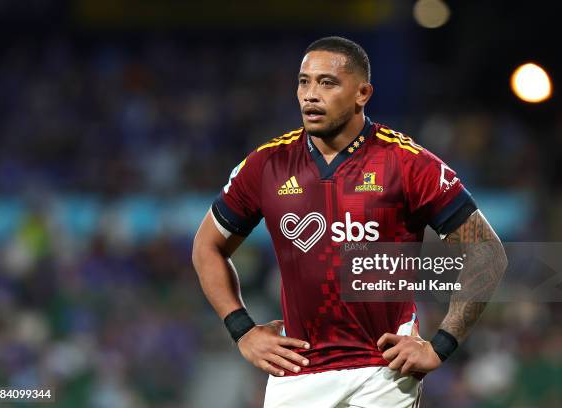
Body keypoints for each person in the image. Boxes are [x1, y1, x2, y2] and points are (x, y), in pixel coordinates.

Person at [192, 36, 507, 407]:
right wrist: (242, 330)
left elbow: (486, 251)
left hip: (383, 372)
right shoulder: (266, 165)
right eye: (303, 81)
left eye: (327, 83)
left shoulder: (408, 164)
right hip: (296, 371)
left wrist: (441, 345)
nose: (310, 94)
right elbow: (207, 246)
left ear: (362, 93)